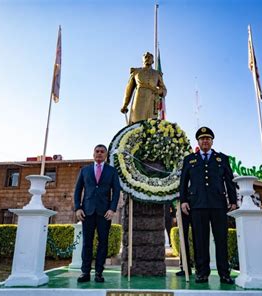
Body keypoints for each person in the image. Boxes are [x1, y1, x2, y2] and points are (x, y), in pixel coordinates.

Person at [179, 127, 237, 284]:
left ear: (212, 141)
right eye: (202, 139)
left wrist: (233, 201)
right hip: (197, 205)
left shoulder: (222, 159)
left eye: (208, 138)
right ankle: (202, 273)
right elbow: (183, 183)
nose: (205, 141)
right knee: (200, 240)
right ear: (198, 142)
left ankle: (224, 273)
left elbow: (229, 181)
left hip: (218, 205)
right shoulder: (189, 159)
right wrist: (183, 201)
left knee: (221, 240)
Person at [74, 144, 121, 283]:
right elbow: (78, 190)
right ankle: (85, 272)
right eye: (97, 151)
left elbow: (116, 191)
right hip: (87, 212)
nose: (99, 153)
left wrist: (112, 209)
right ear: (93, 154)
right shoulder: (85, 170)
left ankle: (99, 272)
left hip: (104, 213)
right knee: (87, 243)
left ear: (106, 155)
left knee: (103, 243)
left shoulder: (112, 171)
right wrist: (78, 208)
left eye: (102, 152)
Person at [121, 52, 167, 124]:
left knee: (151, 124)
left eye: (149, 57)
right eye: (145, 57)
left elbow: (164, 90)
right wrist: (125, 105)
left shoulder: (157, 74)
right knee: (137, 122)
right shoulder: (136, 72)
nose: (147, 58)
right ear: (142, 60)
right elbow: (128, 90)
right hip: (139, 100)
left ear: (153, 61)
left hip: (152, 101)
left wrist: (158, 91)